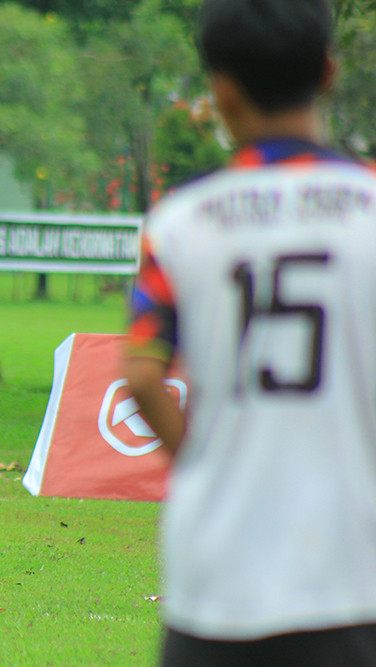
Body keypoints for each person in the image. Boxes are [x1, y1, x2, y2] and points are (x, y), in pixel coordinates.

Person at [125, 0, 376, 664]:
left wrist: (208, 464)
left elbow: (143, 376)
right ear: (328, 73)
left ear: (221, 90)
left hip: (216, 576)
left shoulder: (180, 221)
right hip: (352, 573)